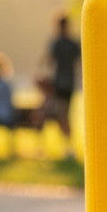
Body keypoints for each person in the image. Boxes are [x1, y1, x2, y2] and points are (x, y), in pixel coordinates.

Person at [42, 13, 81, 154]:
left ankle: (68, 146)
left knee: (62, 114)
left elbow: (48, 61)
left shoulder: (61, 43)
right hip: (64, 84)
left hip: (63, 84)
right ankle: (68, 145)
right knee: (63, 114)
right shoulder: (71, 43)